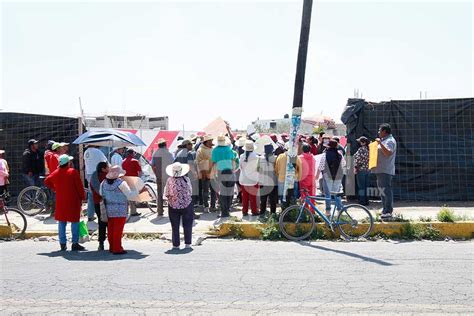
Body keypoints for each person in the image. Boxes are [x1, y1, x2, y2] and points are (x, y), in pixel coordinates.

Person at [44, 154, 86, 251]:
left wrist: (55, 188)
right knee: (75, 221)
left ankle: (62, 244)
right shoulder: (73, 172)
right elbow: (79, 187)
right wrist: (83, 197)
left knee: (62, 222)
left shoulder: (56, 172)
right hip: (73, 200)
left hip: (61, 201)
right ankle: (75, 243)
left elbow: (47, 181)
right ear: (68, 163)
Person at [100, 165, 141, 255]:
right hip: (121, 209)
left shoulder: (103, 183)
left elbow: (100, 193)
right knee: (118, 230)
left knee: (111, 229)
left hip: (109, 209)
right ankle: (117, 248)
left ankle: (112, 247)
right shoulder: (121, 183)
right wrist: (138, 191)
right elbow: (129, 195)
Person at [164, 162, 194, 249]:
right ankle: (188, 243)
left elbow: (167, 193)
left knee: (175, 225)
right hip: (187, 204)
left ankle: (175, 244)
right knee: (187, 224)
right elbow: (190, 192)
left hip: (173, 205)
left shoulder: (169, 180)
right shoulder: (186, 179)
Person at [371, 123, 397, 219]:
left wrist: (380, 144)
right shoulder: (385, 140)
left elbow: (388, 153)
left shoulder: (390, 141)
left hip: (385, 170)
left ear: (384, 131)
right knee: (383, 191)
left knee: (386, 191)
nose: (378, 132)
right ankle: (384, 209)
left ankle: (388, 211)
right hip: (380, 170)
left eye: (379, 130)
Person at [317, 139, 346, 216]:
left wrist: (316, 176)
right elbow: (343, 165)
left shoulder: (325, 154)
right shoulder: (339, 154)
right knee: (337, 194)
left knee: (328, 194)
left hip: (327, 177)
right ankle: (339, 210)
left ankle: (328, 211)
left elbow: (321, 166)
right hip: (337, 177)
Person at [210, 135, 235, 218]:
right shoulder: (229, 149)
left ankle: (224, 211)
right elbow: (233, 161)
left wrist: (213, 173)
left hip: (221, 172)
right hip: (230, 171)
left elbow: (213, 163)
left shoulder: (215, 150)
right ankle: (227, 209)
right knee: (230, 192)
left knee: (223, 193)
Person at [151, 138, 174, 216]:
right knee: (170, 193)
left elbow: (152, 165)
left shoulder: (155, 153)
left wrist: (156, 173)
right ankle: (171, 210)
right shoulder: (169, 153)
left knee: (160, 193)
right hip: (168, 176)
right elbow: (172, 165)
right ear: (165, 145)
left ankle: (160, 210)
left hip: (159, 175)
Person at [84, 145, 107, 221]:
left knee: (91, 195)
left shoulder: (86, 152)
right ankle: (102, 214)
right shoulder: (98, 152)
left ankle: (90, 215)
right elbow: (105, 162)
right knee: (100, 193)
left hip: (89, 174)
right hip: (96, 175)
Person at [274, 145, 302, 209]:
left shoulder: (280, 156)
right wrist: (298, 179)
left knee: (282, 197)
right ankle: (292, 211)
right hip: (293, 180)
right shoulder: (296, 157)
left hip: (281, 180)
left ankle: (284, 211)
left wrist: (279, 175)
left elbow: (276, 168)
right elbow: (300, 169)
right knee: (293, 197)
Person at [90, 162, 109, 250]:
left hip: (97, 202)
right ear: (103, 169)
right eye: (107, 167)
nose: (108, 168)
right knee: (110, 222)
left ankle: (101, 243)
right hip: (108, 202)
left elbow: (92, 188)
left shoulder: (94, 176)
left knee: (101, 222)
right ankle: (112, 242)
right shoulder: (108, 176)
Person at [196, 135, 217, 213]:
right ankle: (206, 206)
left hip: (213, 173)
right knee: (205, 190)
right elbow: (198, 161)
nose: (212, 142)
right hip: (204, 173)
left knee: (213, 190)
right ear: (207, 142)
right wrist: (208, 163)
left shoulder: (213, 149)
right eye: (210, 141)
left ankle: (213, 206)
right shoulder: (200, 150)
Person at [257, 141, 278, 216]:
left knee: (263, 199)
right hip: (273, 182)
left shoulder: (260, 158)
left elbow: (257, 169)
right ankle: (273, 214)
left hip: (263, 182)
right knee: (273, 200)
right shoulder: (275, 158)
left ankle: (262, 212)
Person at [239, 140, 259, 216]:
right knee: (253, 197)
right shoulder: (256, 157)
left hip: (244, 179)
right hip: (253, 179)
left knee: (245, 197)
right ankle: (254, 211)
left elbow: (240, 167)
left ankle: (244, 211)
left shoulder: (241, 156)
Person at [121, 149, 142, 217]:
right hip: (133, 180)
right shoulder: (135, 161)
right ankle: (133, 211)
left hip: (125, 180)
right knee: (133, 196)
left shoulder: (123, 161)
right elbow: (140, 172)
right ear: (132, 153)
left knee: (127, 195)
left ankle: (126, 211)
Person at [353, 136, 370, 206]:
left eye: (360, 141)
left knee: (361, 187)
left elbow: (357, 160)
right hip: (368, 170)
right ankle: (366, 200)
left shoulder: (360, 149)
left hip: (361, 170)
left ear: (363, 142)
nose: (359, 143)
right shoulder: (369, 149)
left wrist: (355, 168)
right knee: (366, 186)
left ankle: (362, 201)